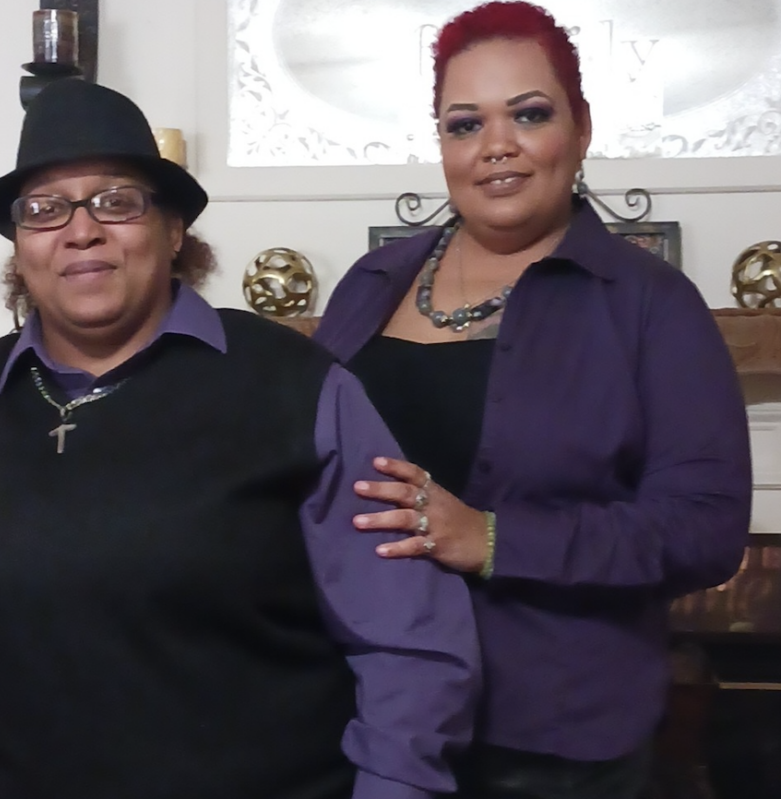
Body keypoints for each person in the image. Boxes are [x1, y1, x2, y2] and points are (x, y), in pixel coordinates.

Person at [0, 78, 480, 799]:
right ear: (19, 248)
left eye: (117, 200)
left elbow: (408, 645)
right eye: (44, 209)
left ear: (174, 231)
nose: (82, 229)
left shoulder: (298, 389)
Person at [313, 3, 752, 797]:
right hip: (366, 716)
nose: (496, 148)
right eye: (464, 124)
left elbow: (707, 528)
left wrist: (491, 537)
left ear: (580, 128)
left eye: (530, 114)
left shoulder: (650, 300)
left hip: (551, 737)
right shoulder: (370, 283)